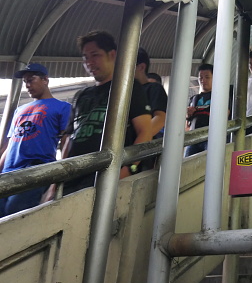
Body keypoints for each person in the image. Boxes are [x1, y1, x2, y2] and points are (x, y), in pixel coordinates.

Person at [62, 31, 152, 194]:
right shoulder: (81, 96)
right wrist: (57, 181)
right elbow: (69, 138)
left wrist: (129, 169)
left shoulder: (128, 88)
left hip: (107, 176)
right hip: (72, 179)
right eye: (85, 57)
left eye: (95, 55)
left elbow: (145, 131)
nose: (89, 62)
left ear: (112, 55)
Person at [0, 63, 71, 217]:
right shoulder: (20, 110)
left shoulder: (62, 107)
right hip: (8, 171)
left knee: (15, 213)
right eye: (25, 82)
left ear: (45, 79)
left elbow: (67, 141)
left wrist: (60, 175)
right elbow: (11, 143)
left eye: (31, 80)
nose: (27, 85)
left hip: (35, 170)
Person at [136, 48, 168, 138]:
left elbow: (160, 118)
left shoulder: (154, 89)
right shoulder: (122, 92)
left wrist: (135, 143)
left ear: (141, 67)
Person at [185, 64, 214, 156]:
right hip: (193, 138)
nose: (203, 80)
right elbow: (187, 123)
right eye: (200, 77)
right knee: (187, 164)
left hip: (211, 138)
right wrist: (188, 114)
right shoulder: (194, 99)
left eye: (207, 77)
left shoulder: (220, 96)